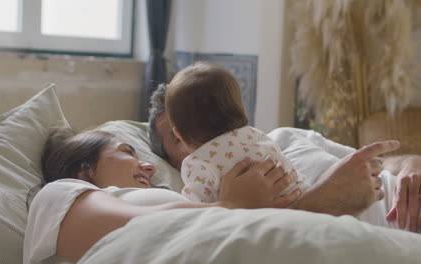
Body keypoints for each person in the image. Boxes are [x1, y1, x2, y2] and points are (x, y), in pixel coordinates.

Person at [148, 80, 421, 232]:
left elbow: (381, 162)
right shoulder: (216, 200)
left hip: (405, 194)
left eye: (206, 117)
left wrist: (411, 164)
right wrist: (322, 201)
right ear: (175, 159)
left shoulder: (283, 137)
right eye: (180, 134)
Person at [24, 127, 303, 263]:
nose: (149, 166)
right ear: (84, 171)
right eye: (126, 151)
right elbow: (135, 230)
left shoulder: (173, 199)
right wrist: (232, 204)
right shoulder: (57, 194)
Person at [164, 62, 306, 203]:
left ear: (180, 135)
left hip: (268, 215)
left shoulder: (199, 164)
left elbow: (196, 211)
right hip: (300, 195)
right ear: (244, 110)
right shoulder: (256, 136)